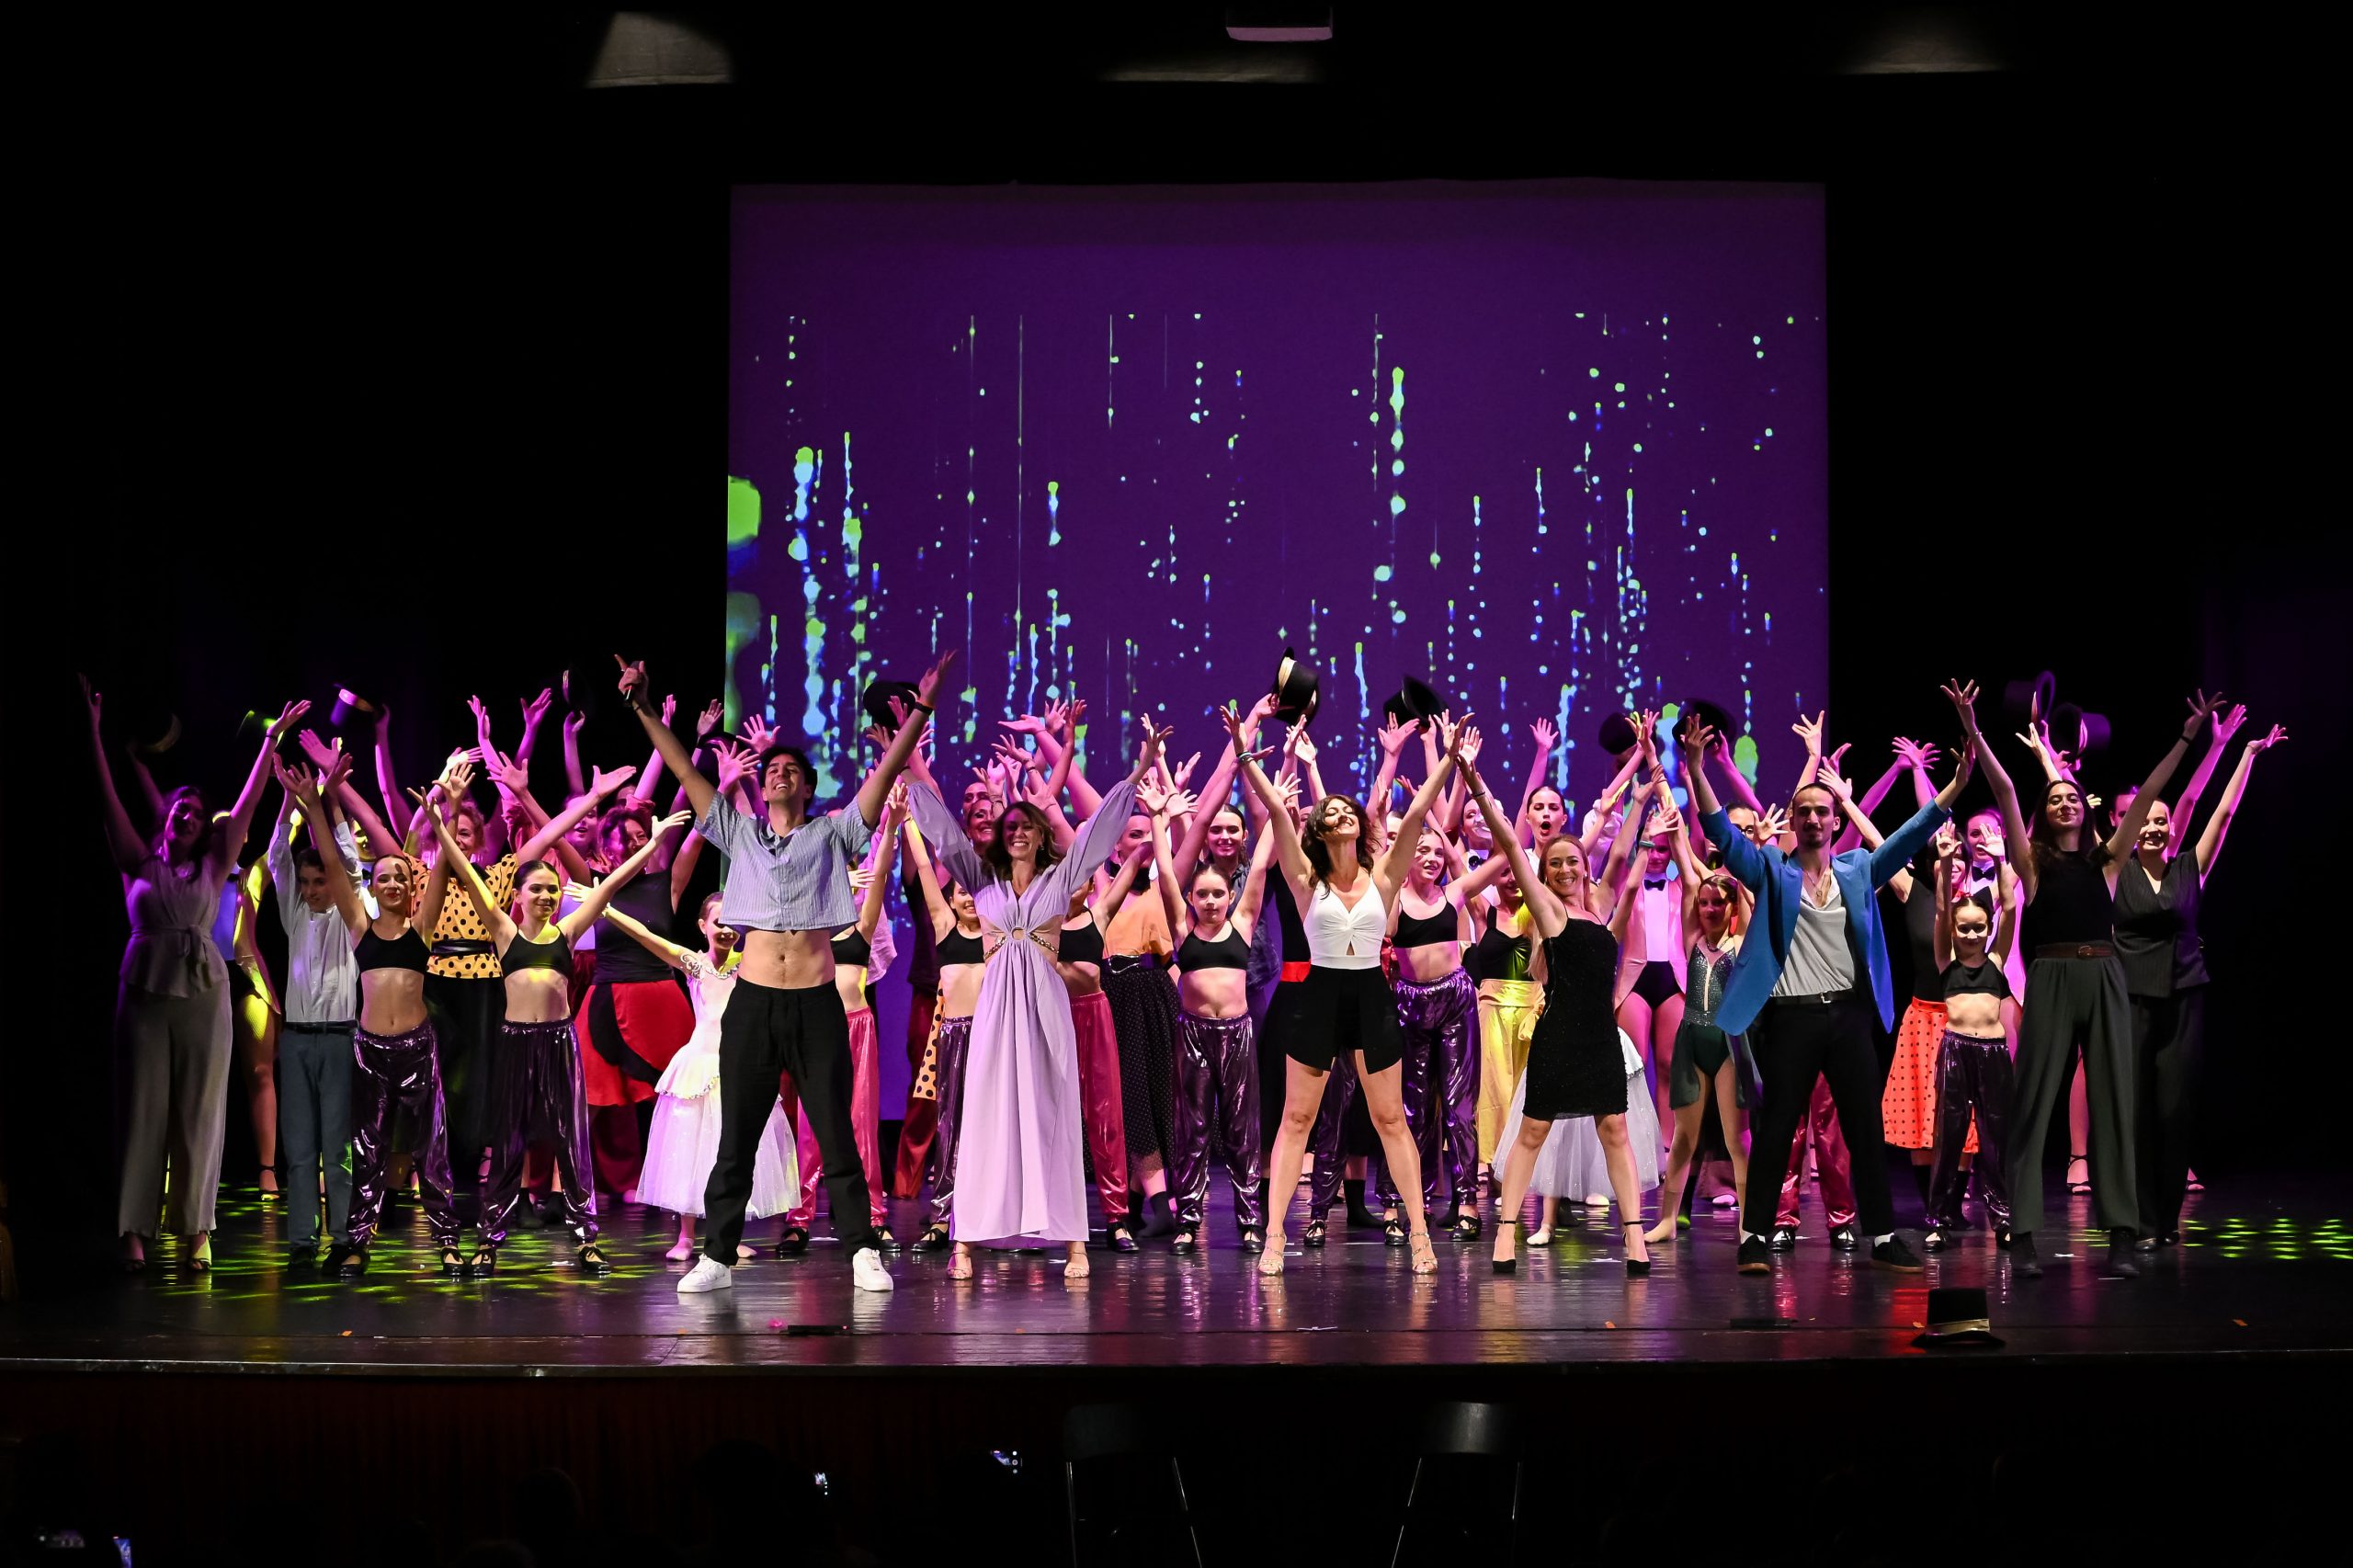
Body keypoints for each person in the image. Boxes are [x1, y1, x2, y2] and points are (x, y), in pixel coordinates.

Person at [635, 648, 953, 1296]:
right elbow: (683, 767)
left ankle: (862, 1249)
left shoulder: (833, 835)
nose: (778, 774)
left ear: (807, 787)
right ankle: (717, 1256)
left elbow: (884, 774)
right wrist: (641, 707)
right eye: (772, 768)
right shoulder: (739, 833)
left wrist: (921, 708)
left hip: (814, 1004)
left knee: (836, 1133)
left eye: (791, 771)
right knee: (737, 1136)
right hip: (753, 1004)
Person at [1686, 690, 1976, 1277]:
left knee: (1863, 1128)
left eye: (1823, 811)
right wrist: (1695, 768)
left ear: (1836, 821)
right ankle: (1755, 1235)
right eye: (1805, 812)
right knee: (1776, 1130)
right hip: (1791, 1017)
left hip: (1847, 1016)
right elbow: (1723, 834)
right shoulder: (1772, 870)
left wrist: (1957, 784)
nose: (1814, 819)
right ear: (1793, 823)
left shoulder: (1859, 869)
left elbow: (1911, 834)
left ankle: (1883, 1235)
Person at [1964, 684, 2220, 1278]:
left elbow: (2150, 793)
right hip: (2052, 975)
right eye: (2054, 797)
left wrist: (2188, 738)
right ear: (2045, 811)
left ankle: (2124, 1232)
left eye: (2072, 797)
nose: (2065, 802)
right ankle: (2022, 1233)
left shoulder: (2108, 861)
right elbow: (2005, 791)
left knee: (2114, 1102)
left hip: (2105, 973)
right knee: (2032, 1102)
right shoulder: (2031, 863)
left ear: (2085, 809)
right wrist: (1973, 729)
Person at [903, 710, 1167, 1281]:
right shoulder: (983, 882)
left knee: (1055, 1119)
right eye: (1011, 826)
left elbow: (1099, 835)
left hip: (1047, 1007)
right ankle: (965, 1243)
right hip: (996, 1010)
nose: (1018, 832)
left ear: (1042, 835)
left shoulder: (1060, 879)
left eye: (1028, 825)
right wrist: (908, 759)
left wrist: (1140, 768)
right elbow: (944, 833)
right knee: (985, 1119)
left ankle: (1074, 1243)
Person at [1231, 702, 1467, 1277]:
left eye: (1347, 810)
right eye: (1330, 811)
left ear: (1359, 825)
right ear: (1320, 829)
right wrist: (1243, 750)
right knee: (1296, 1121)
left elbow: (1416, 813)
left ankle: (1419, 1233)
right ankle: (1275, 1237)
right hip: (1319, 995)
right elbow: (1277, 813)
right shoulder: (1305, 878)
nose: (1340, 814)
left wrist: (1448, 759)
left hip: (1369, 996)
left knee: (1392, 1121)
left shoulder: (1384, 875)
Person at [423, 767, 685, 1276]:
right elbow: (468, 876)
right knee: (509, 1142)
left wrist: (650, 845)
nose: (545, 896)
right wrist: (439, 819)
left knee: (573, 1142)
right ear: (518, 896)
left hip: (560, 1043)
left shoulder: (566, 932)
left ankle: (586, 1238)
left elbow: (609, 886)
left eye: (550, 889)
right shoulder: (502, 930)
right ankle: (489, 1239)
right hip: (515, 1044)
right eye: (536, 889)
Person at [88, 679, 304, 1272]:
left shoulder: (214, 866)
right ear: (165, 817)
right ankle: (133, 1228)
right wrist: (95, 734)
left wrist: (273, 741)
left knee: (199, 1112)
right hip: (144, 988)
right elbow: (108, 798)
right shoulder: (137, 861)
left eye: (197, 811)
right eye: (179, 806)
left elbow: (251, 801)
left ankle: (195, 1230)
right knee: (142, 1112)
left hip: (204, 992)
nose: (188, 814)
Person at [1462, 722, 1654, 1276]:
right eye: (1555, 863)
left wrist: (1641, 795)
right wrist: (1474, 781)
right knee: (1533, 1131)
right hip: (1558, 1036)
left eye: (1573, 862)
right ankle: (1506, 1232)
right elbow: (1508, 839)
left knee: (1614, 1131)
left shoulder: (1601, 907)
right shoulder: (1547, 911)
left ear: (1584, 867)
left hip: (1599, 1038)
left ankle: (1635, 1238)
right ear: (1544, 873)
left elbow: (1624, 851)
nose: (1566, 868)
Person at [280, 754, 461, 1278]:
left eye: (401, 877)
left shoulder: (421, 929)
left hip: (417, 1048)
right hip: (370, 1053)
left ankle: (446, 1240)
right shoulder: (358, 925)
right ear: (372, 886)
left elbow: (444, 867)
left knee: (431, 1149)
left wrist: (447, 815)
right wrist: (314, 807)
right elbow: (333, 863)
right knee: (367, 1151)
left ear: (411, 887)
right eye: (383, 877)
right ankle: (358, 1242)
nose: (393, 883)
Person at [2117, 721, 2285, 1247]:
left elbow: (2222, 812)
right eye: (2145, 820)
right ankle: (2141, 1220)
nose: (2153, 828)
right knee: (2137, 1111)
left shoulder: (2191, 867)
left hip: (2184, 997)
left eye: (2161, 821)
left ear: (2172, 828)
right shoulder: (2115, 873)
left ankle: (2166, 1221)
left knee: (2173, 1110)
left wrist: (2246, 755)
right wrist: (2052, 760)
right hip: (2131, 1000)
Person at [604, 893, 799, 1263]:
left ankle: (728, 1235)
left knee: (736, 1154)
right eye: (718, 922)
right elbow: (648, 937)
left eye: (732, 923)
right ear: (702, 926)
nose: (725, 930)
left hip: (738, 1067)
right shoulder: (694, 965)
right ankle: (685, 1237)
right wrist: (607, 909)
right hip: (699, 1068)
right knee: (691, 1154)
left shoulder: (751, 966)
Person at [1152, 778, 1275, 1253]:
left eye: (1216, 895)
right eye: (1201, 894)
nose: (1208, 901)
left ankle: (1250, 1220)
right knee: (1193, 1129)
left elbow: (1259, 865)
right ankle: (1188, 1219)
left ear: (1229, 897)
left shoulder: (1242, 923)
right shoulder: (1183, 930)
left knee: (1242, 1128)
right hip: (1193, 1035)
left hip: (1237, 1035)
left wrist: (1275, 809)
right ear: (1192, 899)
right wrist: (1160, 820)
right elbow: (1167, 874)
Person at [263, 763, 368, 1265]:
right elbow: (276, 857)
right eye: (305, 883)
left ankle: (343, 1238)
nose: (310, 889)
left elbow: (348, 862)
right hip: (299, 1038)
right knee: (300, 1150)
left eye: (319, 881)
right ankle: (302, 1243)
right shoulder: (295, 914)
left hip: (340, 1039)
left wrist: (326, 802)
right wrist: (290, 802)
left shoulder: (351, 917)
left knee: (337, 1148)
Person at [1923, 857, 2020, 1249]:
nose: (1972, 933)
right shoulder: (1946, 961)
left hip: (1993, 1053)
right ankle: (1939, 1220)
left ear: (1988, 927)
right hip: (1956, 1050)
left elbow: (2009, 906)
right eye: (1964, 927)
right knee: (1949, 1137)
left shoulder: (1996, 960)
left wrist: (1999, 860)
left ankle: (2003, 1219)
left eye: (1979, 927)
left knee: (1996, 1139)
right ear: (1953, 930)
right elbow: (1942, 909)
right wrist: (1946, 863)